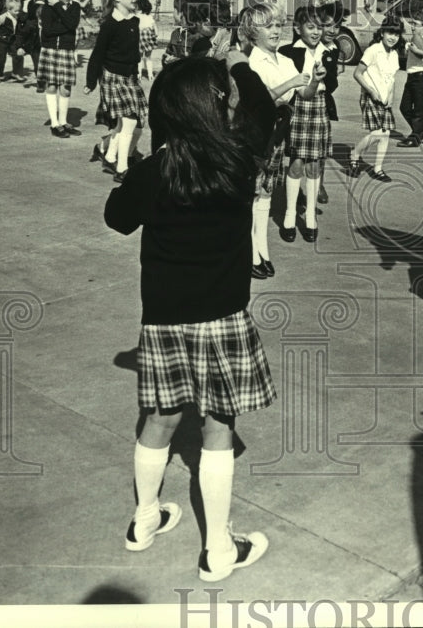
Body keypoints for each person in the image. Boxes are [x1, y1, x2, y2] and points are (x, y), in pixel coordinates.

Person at [104, 56, 276, 582]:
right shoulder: (238, 164)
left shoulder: (153, 172)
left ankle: (144, 520)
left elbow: (116, 218)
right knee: (217, 429)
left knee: (160, 420)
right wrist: (239, 64)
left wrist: (141, 166)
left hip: (162, 322)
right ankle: (218, 550)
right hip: (222, 319)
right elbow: (262, 109)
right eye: (223, 95)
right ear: (214, 107)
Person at [237, 3, 311, 275]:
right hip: (257, 133)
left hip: (277, 133)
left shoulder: (285, 60)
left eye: (278, 25)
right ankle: (250, 254)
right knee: (252, 193)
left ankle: (261, 250)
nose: (276, 30)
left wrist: (313, 82)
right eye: (268, 26)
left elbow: (305, 93)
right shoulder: (253, 62)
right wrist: (291, 84)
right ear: (253, 32)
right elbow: (260, 99)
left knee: (266, 192)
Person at [278, 6, 330, 243]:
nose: (316, 32)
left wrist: (324, 77)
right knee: (296, 164)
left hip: (319, 109)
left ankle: (310, 216)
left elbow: (334, 84)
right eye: (310, 27)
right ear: (298, 29)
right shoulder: (288, 52)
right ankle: (290, 214)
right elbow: (291, 86)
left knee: (314, 166)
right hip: (297, 108)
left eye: (319, 27)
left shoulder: (329, 51)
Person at [86, 0, 145, 181]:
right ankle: (121, 169)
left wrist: (136, 74)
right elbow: (98, 54)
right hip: (113, 77)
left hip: (130, 78)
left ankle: (108, 153)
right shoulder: (110, 24)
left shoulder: (134, 21)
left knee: (128, 124)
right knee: (128, 122)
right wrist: (90, 81)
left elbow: (133, 54)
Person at [348, 15, 404, 182]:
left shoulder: (394, 54)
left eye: (396, 34)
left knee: (385, 134)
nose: (393, 37)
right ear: (382, 33)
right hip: (370, 96)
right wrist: (371, 91)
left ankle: (378, 168)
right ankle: (355, 154)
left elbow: (391, 79)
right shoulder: (373, 50)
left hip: (385, 99)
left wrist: (392, 99)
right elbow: (357, 73)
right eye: (389, 33)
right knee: (378, 132)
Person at [39, 0, 83, 138]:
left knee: (65, 88)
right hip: (50, 50)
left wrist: (58, 8)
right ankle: (54, 123)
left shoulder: (75, 7)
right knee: (51, 86)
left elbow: (73, 24)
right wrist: (66, 26)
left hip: (66, 50)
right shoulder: (47, 8)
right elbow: (48, 31)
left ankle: (64, 122)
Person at [311, 0, 346, 204]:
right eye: (327, 26)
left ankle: (319, 184)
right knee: (300, 149)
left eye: (337, 26)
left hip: (324, 98)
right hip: (306, 97)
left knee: (322, 148)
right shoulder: (310, 46)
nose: (332, 30)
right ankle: (296, 185)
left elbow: (332, 82)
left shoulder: (334, 48)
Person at [396, 11, 423, 148]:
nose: (413, 27)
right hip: (411, 77)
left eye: (417, 25)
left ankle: (415, 137)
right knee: (404, 108)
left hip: (420, 78)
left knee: (418, 112)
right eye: (412, 23)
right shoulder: (415, 38)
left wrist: (416, 51)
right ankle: (421, 129)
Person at [0, 0, 27, 84]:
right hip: (2, 39)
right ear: (9, 9)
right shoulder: (2, 17)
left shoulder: (18, 17)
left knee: (17, 55)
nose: (18, 12)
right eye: (16, 11)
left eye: (19, 10)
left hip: (12, 39)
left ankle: (16, 73)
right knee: (2, 57)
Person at [137, 0, 158, 81]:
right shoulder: (150, 17)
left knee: (140, 57)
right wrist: (156, 34)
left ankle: (139, 74)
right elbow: (154, 27)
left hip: (140, 37)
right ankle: (150, 75)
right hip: (148, 37)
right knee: (148, 57)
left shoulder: (137, 16)